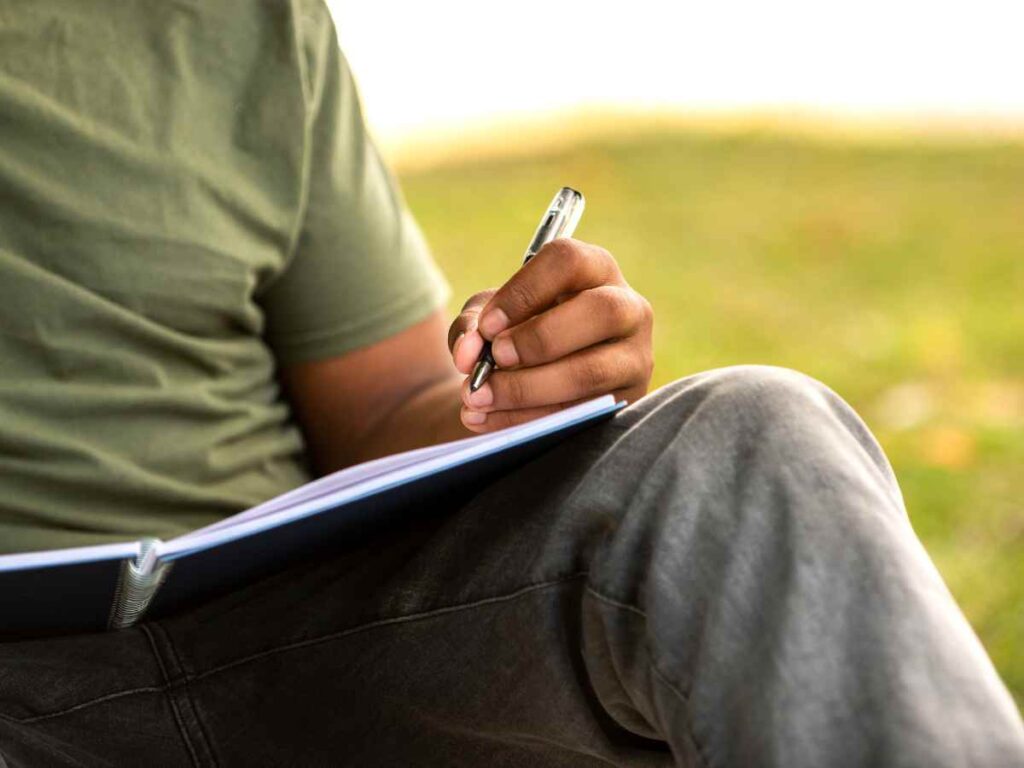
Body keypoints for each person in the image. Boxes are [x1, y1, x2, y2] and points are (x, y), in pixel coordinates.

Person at [0, 2, 1020, 766]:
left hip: (310, 635)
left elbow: (385, 407)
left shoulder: (249, 28)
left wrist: (524, 390)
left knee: (747, 437)